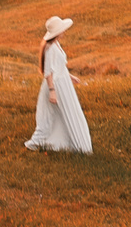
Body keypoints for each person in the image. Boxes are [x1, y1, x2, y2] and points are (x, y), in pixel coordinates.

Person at [25, 15, 92, 153]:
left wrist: (70, 77)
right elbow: (48, 72)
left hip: (63, 84)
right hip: (56, 86)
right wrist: (52, 90)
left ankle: (70, 143)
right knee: (51, 116)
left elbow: (59, 66)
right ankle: (36, 142)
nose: (64, 32)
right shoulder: (49, 48)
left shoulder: (56, 44)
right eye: (62, 30)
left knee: (66, 114)